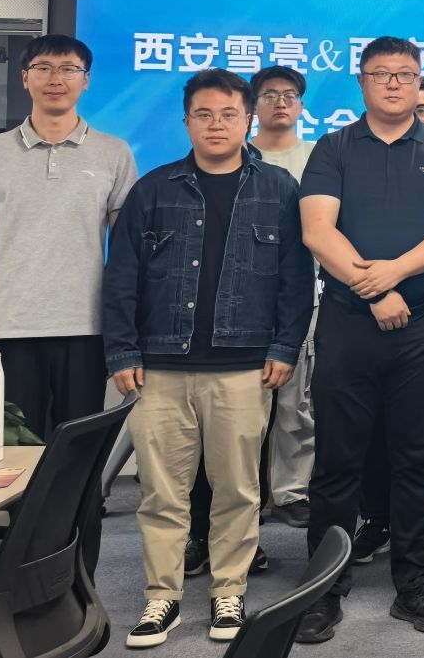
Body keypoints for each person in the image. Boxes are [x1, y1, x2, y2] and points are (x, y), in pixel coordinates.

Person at [105, 69, 313, 649]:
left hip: (244, 368)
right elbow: (120, 277)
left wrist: (284, 347)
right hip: (160, 367)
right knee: (162, 493)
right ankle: (162, 598)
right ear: (186, 121)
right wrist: (121, 351)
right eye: (203, 114)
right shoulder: (153, 189)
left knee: (239, 491)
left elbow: (296, 280)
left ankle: (229, 590)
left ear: (247, 119)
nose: (216, 125)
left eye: (227, 114)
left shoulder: (278, 189)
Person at [294, 37, 424, 643]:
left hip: (423, 321)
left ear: (420, 81)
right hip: (349, 319)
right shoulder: (335, 146)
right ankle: (322, 589)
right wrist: (373, 290)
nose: (394, 83)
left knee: (416, 460)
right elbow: (318, 230)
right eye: (381, 74)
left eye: (405, 74)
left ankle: (415, 585)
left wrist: (393, 274)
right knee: (337, 460)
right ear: (362, 81)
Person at [0, 33, 136, 438]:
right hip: (12, 329)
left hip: (87, 327)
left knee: (80, 442)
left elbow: (125, 254)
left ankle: (83, 491)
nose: (56, 79)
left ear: (85, 80)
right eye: (43, 68)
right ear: (25, 78)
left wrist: (123, 334)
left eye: (69, 69)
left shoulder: (114, 153)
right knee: (17, 444)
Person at [253, 66, 317, 532]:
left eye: (289, 95)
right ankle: (246, 492)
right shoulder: (237, 153)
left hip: (304, 292)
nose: (280, 102)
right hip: (245, 296)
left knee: (296, 400)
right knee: (243, 402)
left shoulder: (317, 157)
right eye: (270, 94)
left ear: (301, 105)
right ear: (253, 104)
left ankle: (291, 491)